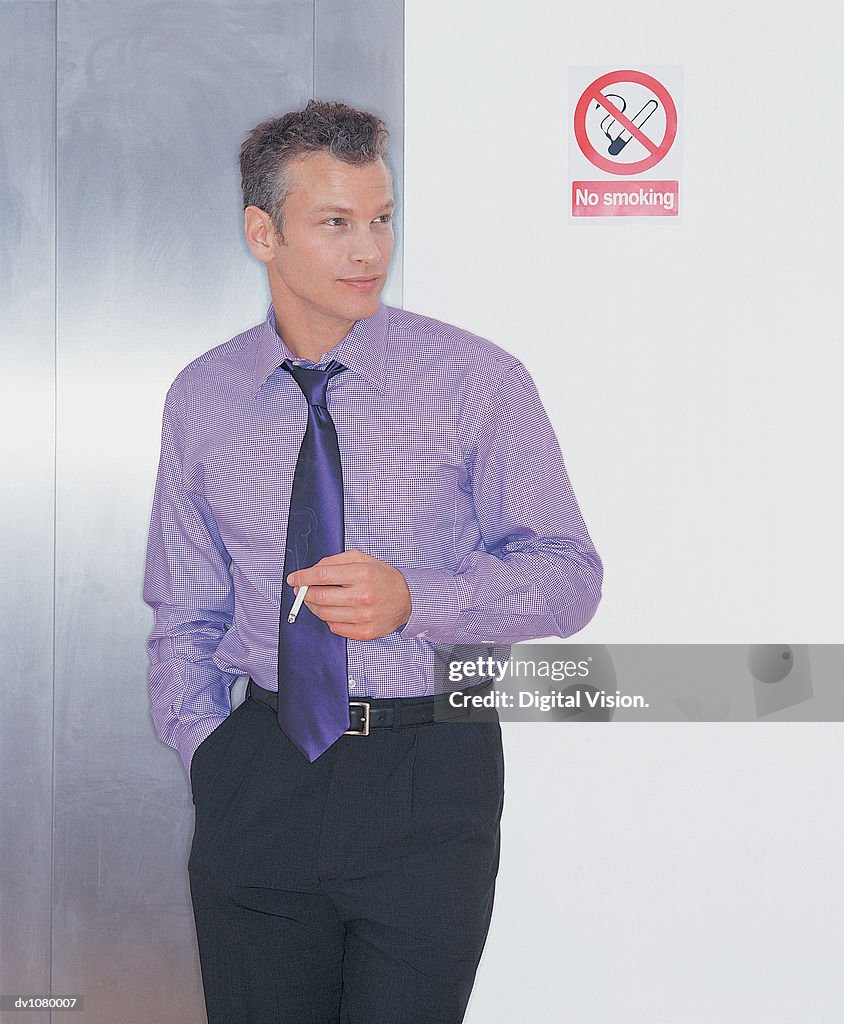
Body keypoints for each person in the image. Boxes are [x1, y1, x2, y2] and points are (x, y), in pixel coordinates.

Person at [143, 98, 603, 1024]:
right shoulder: (204, 397)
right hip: (261, 770)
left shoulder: (479, 382)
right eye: (337, 223)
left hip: (428, 776)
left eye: (383, 219)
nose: (370, 251)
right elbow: (183, 607)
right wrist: (209, 750)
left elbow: (568, 575)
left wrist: (417, 599)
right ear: (262, 232)